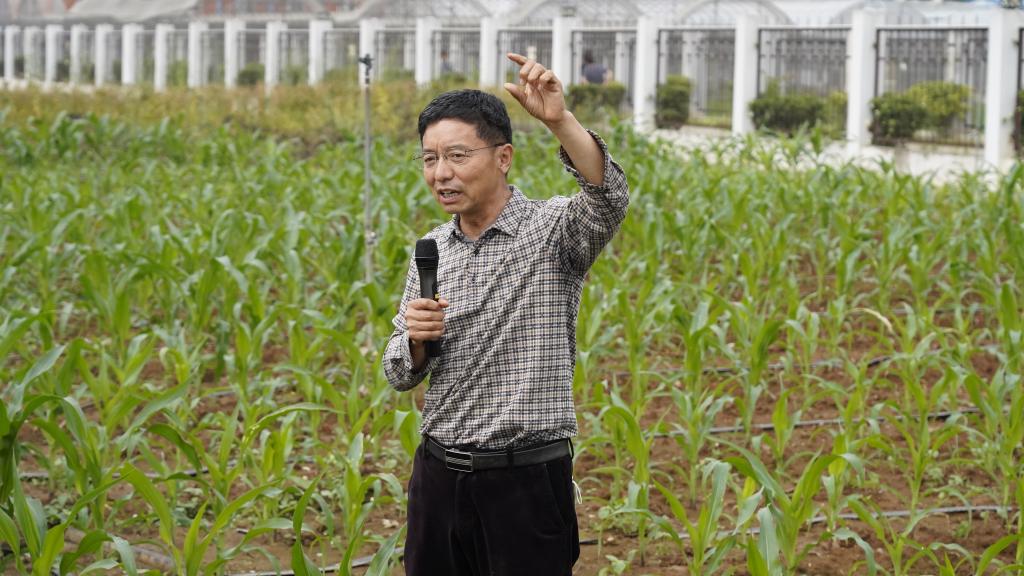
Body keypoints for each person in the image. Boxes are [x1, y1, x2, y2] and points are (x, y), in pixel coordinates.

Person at [382, 52, 629, 576]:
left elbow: (607, 197)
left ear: (503, 157)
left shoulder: (552, 230)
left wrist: (560, 120)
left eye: (457, 155)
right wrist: (416, 340)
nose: (441, 174)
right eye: (429, 159)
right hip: (439, 480)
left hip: (525, 485)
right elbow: (399, 372)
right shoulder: (432, 248)